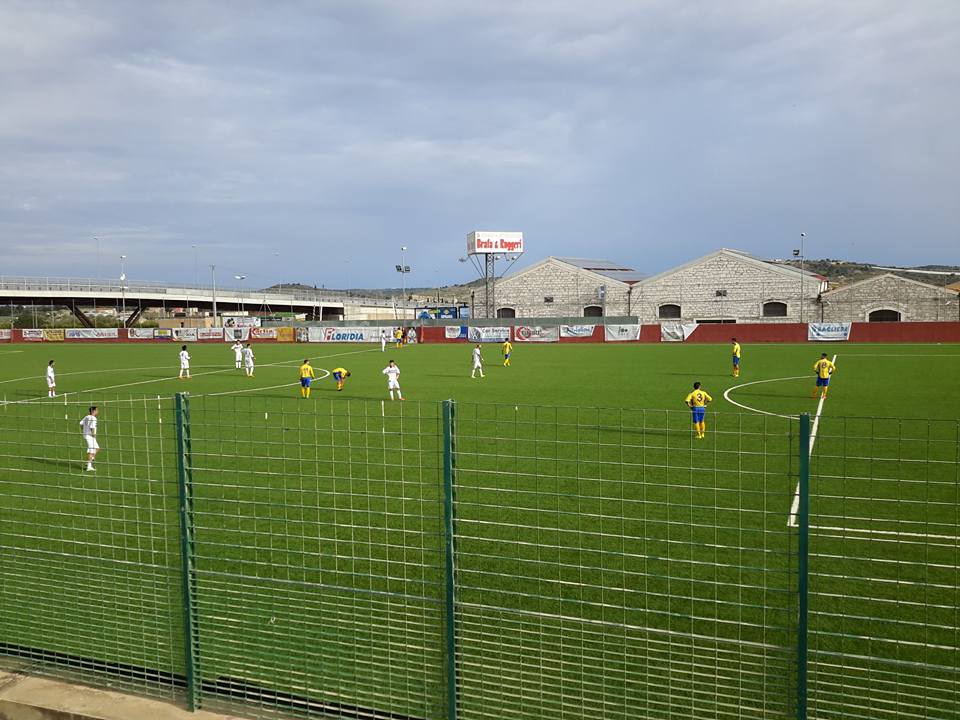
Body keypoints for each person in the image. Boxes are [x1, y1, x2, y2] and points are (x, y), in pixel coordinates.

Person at [80, 405, 99, 472]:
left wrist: (84, 430)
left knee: (97, 448)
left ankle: (89, 461)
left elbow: (81, 424)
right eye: (97, 410)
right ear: (93, 411)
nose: (97, 411)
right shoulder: (93, 418)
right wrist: (93, 435)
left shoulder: (86, 417)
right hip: (90, 436)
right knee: (91, 451)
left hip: (87, 435)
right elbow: (92, 427)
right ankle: (88, 467)